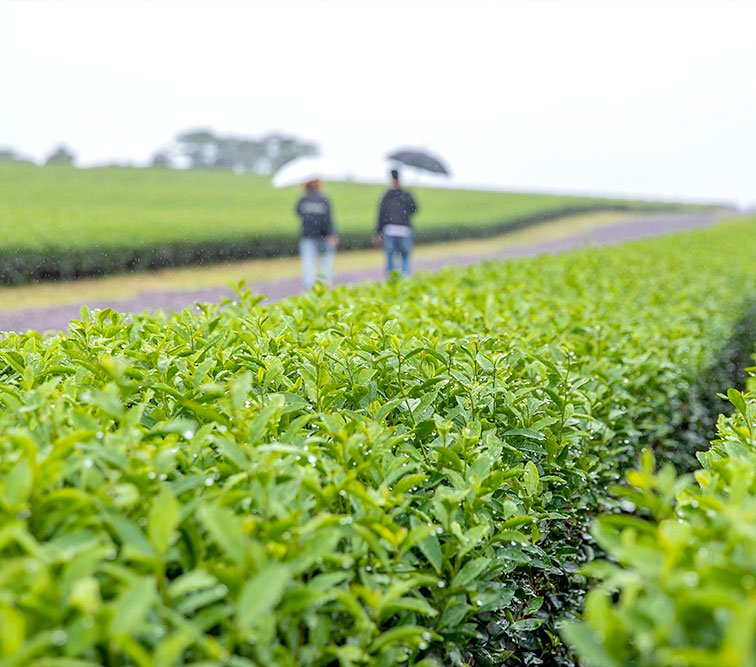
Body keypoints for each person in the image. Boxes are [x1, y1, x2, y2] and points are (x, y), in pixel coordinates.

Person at [373, 169, 418, 277]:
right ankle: (404, 279)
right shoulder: (406, 195)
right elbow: (414, 209)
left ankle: (392, 281)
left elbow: (381, 214)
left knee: (390, 256)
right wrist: (411, 197)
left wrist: (377, 231)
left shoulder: (386, 195)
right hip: (404, 230)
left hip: (390, 230)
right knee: (405, 256)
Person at [295, 179, 339, 289]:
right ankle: (324, 284)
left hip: (307, 235)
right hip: (323, 236)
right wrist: (332, 233)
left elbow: (298, 212)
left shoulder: (302, 199)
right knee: (326, 261)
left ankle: (309, 287)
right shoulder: (323, 199)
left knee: (308, 262)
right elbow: (329, 219)